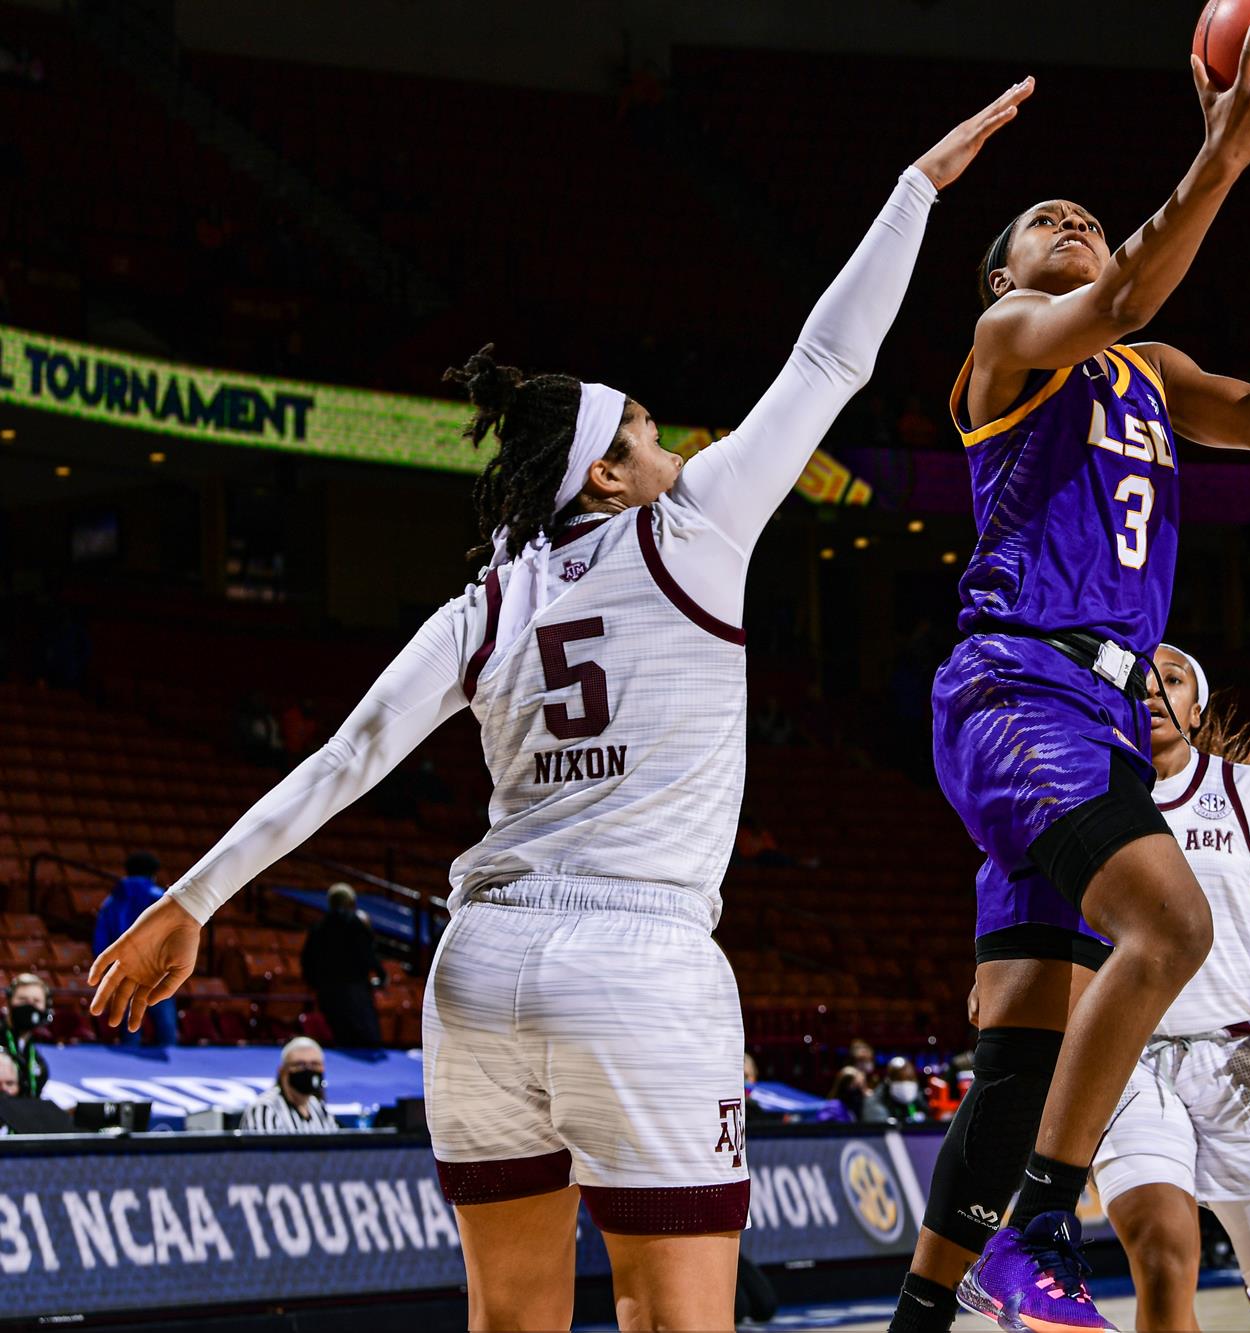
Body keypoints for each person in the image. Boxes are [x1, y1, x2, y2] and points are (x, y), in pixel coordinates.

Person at [84, 87, 1029, 1333]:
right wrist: (915, 189)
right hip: (636, 963)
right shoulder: (688, 529)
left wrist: (191, 899)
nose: (671, 443)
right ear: (606, 476)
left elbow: (348, 756)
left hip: (478, 968)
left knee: (509, 1322)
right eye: (645, 429)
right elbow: (827, 360)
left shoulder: (485, 598)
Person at [901, 23, 1250, 1332]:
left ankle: (923, 1314)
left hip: (1099, 715)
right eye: (1045, 221)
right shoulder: (1011, 340)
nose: (1071, 222)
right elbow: (1123, 294)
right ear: (1000, 276)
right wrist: (1224, 152)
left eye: (1083, 215)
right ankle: (1037, 1234)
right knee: (1175, 927)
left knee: (1018, 1061)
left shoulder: (1149, 371)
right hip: (1017, 686)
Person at [1090, 646, 1250, 1331]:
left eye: (1171, 680)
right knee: (1162, 1256)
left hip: (1239, 1059)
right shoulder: (1084, 791)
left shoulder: (1244, 790)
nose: (1153, 692)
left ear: (1197, 707)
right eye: (1137, 682)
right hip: (1127, 1058)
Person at [94, 853, 179, 1047]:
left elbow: (100, 940)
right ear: (153, 874)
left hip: (123, 970)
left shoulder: (111, 901)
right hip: (157, 970)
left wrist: (107, 968)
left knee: (130, 1028)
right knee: (167, 1031)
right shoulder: (160, 898)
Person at [301, 883, 387, 1048]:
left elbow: (307, 960)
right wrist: (381, 975)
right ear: (351, 903)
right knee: (365, 1041)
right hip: (355, 992)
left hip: (327, 992)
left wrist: (316, 984)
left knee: (339, 1039)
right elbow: (368, 954)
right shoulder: (356, 924)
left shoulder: (319, 927)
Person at [241, 1036, 339, 1134]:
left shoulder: (318, 1107)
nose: (308, 1069)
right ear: (283, 1071)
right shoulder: (265, 1109)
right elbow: (264, 1143)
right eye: (300, 1065)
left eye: (315, 1064)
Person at [3, 973, 51, 1098]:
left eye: (36, 1001)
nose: (30, 1006)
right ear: (8, 1002)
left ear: (46, 1007)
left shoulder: (37, 1061)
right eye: (23, 1000)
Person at [862, 1057, 932, 1126]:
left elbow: (930, 1119)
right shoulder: (875, 1101)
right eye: (899, 1079)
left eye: (909, 1079)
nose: (905, 1084)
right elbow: (879, 1126)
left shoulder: (918, 1098)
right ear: (889, 1081)